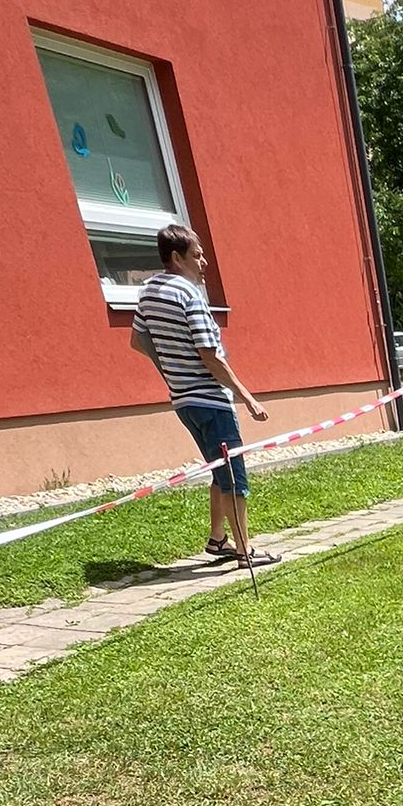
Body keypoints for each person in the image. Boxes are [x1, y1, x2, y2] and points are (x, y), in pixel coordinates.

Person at [131, 223, 278, 565]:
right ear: (176, 258)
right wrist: (248, 397)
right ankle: (245, 552)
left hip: (184, 402)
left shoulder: (148, 292)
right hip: (212, 402)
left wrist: (171, 371)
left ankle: (217, 539)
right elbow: (210, 356)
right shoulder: (189, 295)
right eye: (197, 256)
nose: (204, 263)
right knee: (233, 478)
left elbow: (138, 340)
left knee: (218, 468)